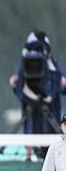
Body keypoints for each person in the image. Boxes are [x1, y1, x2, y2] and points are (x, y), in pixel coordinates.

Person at [9, 30, 66, 159]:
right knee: (46, 130)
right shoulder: (50, 63)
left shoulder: (26, 64)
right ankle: (32, 154)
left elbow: (18, 86)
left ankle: (28, 156)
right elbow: (61, 84)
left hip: (37, 108)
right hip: (48, 109)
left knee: (31, 128)